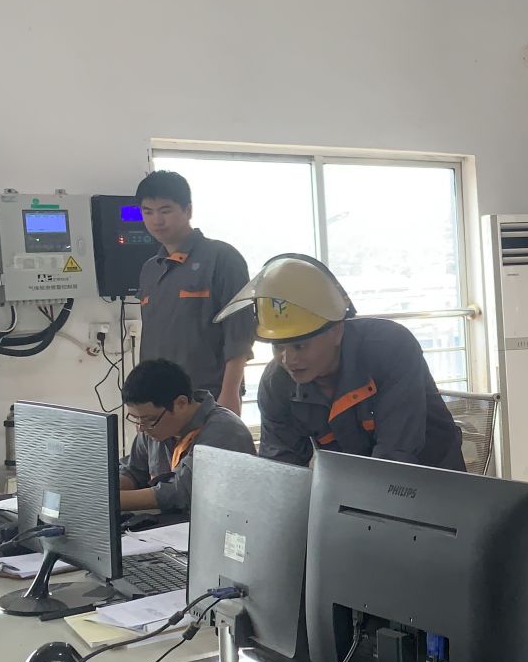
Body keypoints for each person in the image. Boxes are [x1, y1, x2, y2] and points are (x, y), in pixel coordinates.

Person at [215, 254, 465, 470]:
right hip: (353, 485)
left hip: (434, 483)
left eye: (300, 346)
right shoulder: (276, 383)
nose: (288, 359)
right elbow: (281, 467)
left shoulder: (390, 349)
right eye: (278, 346)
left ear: (336, 331)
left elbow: (395, 457)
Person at [136, 170, 256, 414]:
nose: (157, 220)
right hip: (158, 401)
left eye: (166, 210)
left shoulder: (222, 258)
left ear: (188, 210)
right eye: (148, 212)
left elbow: (239, 333)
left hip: (207, 398)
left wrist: (230, 393)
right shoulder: (150, 269)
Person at [118, 358, 254, 513]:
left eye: (149, 419)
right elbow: (134, 471)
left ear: (181, 403)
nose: (141, 428)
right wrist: (104, 489)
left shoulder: (225, 431)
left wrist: (113, 500)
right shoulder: (153, 427)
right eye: (135, 419)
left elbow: (182, 492)